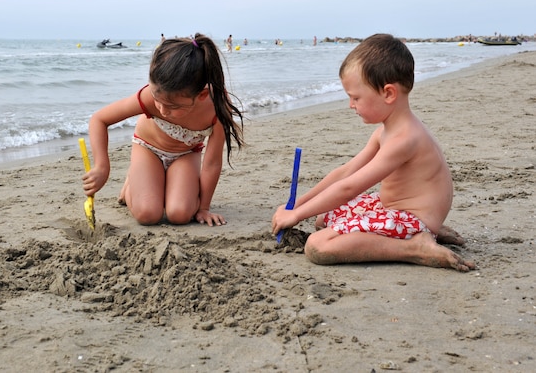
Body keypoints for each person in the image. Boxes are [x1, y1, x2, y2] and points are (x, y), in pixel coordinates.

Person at [271, 33, 476, 272]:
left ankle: (415, 247)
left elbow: (350, 187)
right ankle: (421, 233)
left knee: (318, 245)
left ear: (388, 93)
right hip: (395, 208)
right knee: (323, 218)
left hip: (413, 216)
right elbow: (345, 172)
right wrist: (294, 206)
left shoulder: (405, 139)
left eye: (355, 97)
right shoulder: (385, 131)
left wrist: (295, 217)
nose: (351, 105)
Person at [83, 33, 244, 226]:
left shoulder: (217, 106)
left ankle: (161, 184)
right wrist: (102, 166)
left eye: (173, 107)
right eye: (157, 101)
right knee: (148, 214)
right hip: (148, 149)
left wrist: (203, 208)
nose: (162, 110)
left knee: (180, 214)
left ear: (201, 95)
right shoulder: (149, 97)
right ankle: (131, 185)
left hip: (186, 154)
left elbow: (211, 163)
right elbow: (99, 120)